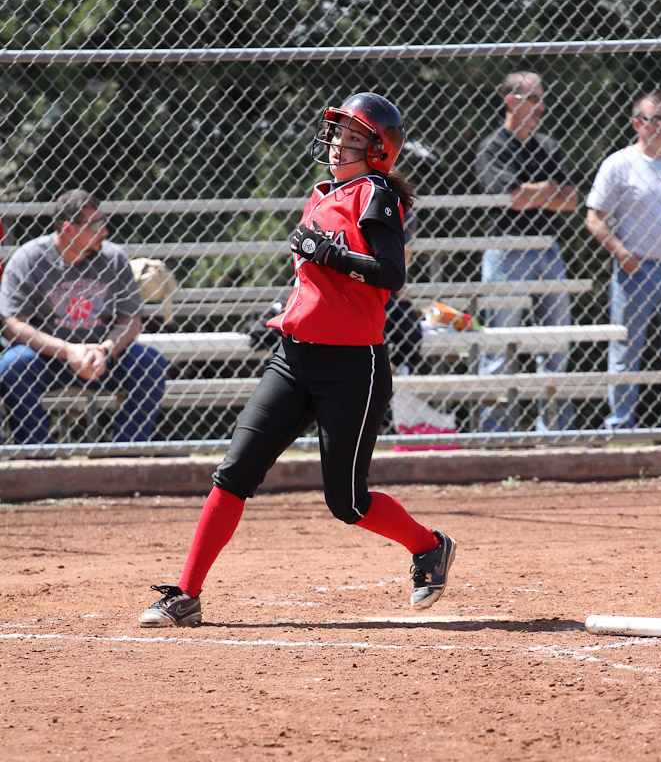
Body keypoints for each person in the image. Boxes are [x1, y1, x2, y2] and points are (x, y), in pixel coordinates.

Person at [138, 92, 456, 627]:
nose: (337, 144)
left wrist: (332, 255)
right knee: (234, 472)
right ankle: (185, 594)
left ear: (379, 150)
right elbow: (313, 280)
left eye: (352, 137)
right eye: (337, 134)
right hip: (293, 359)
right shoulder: (322, 194)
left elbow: (390, 274)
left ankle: (429, 546)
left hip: (351, 368)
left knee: (347, 502)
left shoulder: (375, 194)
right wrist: (281, 308)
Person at [0, 189, 168, 446]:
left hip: (102, 358)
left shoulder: (113, 257)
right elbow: (12, 325)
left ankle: (125, 454)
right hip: (47, 358)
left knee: (150, 362)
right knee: (13, 365)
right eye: (95, 226)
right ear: (68, 228)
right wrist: (68, 351)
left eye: (103, 223)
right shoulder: (29, 258)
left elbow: (131, 320)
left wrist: (105, 349)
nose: (105, 232)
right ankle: (38, 455)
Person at [475, 71, 579, 432]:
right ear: (511, 101)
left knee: (556, 344)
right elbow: (513, 199)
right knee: (499, 346)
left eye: (541, 99)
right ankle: (494, 434)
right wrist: (548, 190)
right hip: (507, 249)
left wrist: (535, 193)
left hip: (548, 248)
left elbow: (571, 200)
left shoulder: (547, 146)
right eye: (533, 99)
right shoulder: (493, 147)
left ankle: (554, 430)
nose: (541, 106)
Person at [585, 90, 661, 429]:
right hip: (636, 270)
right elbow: (594, 218)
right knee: (626, 351)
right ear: (637, 124)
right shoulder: (619, 163)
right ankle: (619, 425)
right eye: (654, 119)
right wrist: (620, 252)